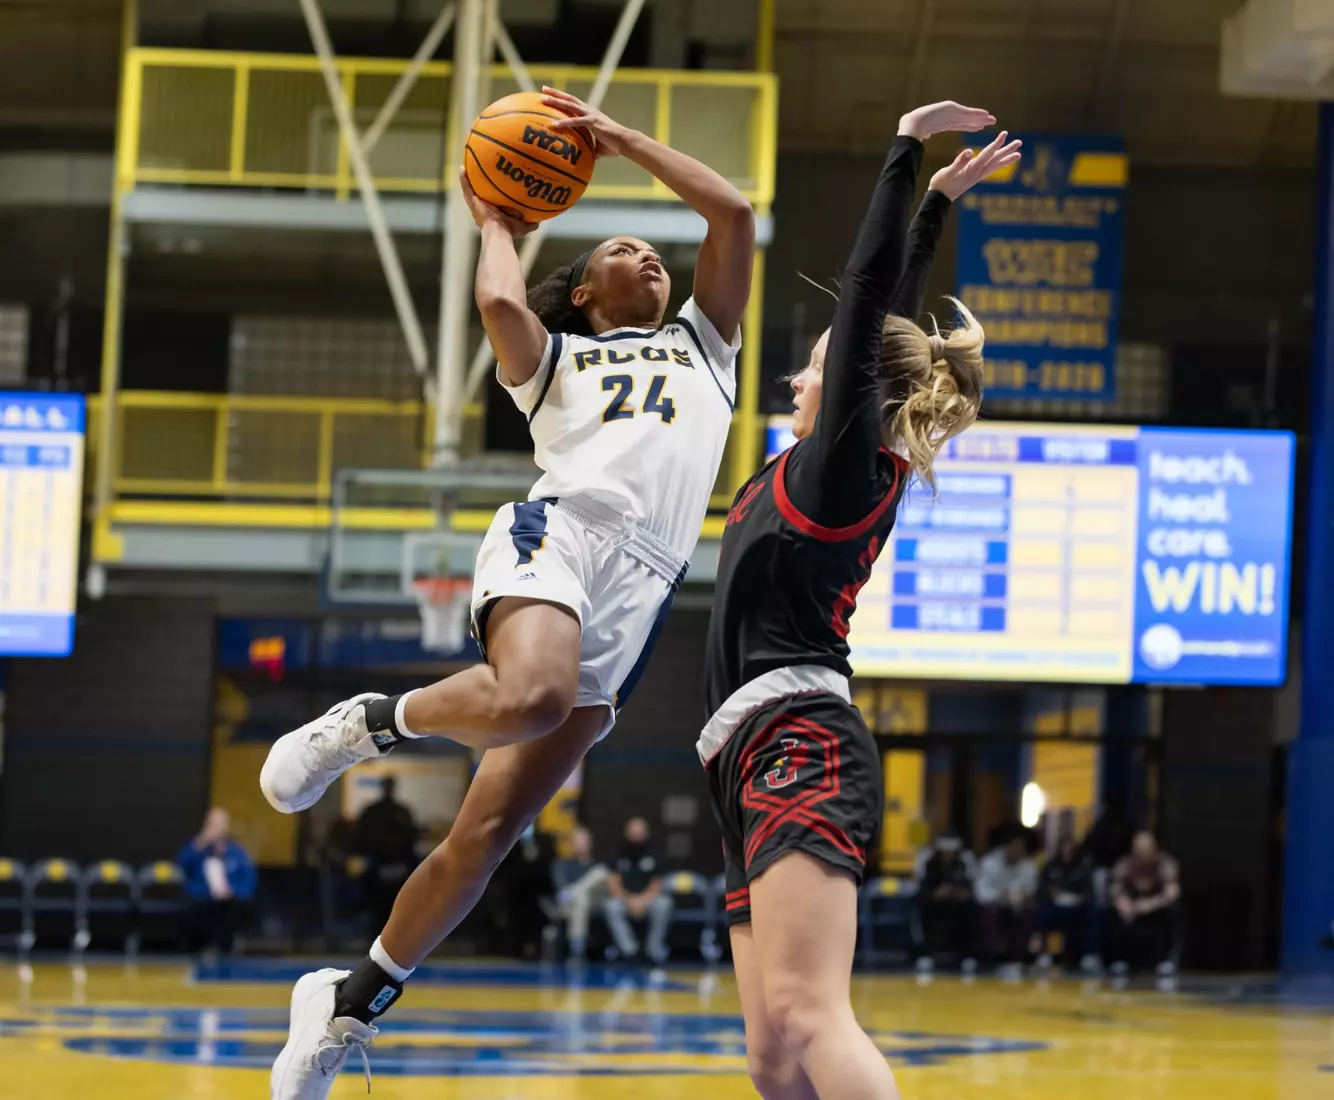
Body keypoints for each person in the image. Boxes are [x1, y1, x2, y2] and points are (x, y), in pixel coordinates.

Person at [263, 85, 756, 1099]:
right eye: (621, 248)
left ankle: (344, 1002)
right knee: (530, 693)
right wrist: (494, 217)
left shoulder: (707, 345)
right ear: (580, 289)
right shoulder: (556, 361)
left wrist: (619, 141)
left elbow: (733, 215)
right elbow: (498, 303)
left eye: (652, 251)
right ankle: (370, 721)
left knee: (485, 837)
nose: (647, 256)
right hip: (560, 533)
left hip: (639, 598)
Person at [699, 101, 1019, 1100]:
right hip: (741, 755)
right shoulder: (818, 464)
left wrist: (905, 147)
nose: (802, 369)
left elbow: (868, 295)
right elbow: (880, 321)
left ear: (842, 386)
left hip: (798, 735)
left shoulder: (843, 467)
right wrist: (931, 206)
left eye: (818, 362)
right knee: (768, 1053)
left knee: (807, 1015)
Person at [175, 808, 257, 957]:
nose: (216, 828)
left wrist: (233, 891)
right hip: (202, 900)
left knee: (235, 911)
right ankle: (196, 951)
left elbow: (249, 880)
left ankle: (223, 951)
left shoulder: (236, 852)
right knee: (189, 910)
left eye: (220, 824)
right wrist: (201, 842)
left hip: (228, 903)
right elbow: (181, 866)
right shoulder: (198, 848)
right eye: (212, 823)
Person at [1107, 830, 1181, 977]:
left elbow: (1173, 891)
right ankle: (1119, 960)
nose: (1142, 851)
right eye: (1139, 848)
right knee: (1110, 912)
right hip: (1133, 905)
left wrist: (1151, 904)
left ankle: (1167, 961)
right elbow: (1115, 887)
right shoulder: (1125, 863)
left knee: (1174, 911)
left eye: (1146, 847)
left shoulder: (1165, 863)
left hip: (1155, 906)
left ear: (1154, 847)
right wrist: (1122, 902)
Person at [601, 816, 673, 963]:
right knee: (610, 906)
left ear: (646, 833)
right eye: (634, 833)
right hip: (624, 899)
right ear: (627, 833)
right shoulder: (619, 852)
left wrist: (641, 901)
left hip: (648, 899)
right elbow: (613, 883)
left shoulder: (654, 853)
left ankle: (654, 950)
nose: (637, 836)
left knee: (664, 904)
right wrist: (629, 900)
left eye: (640, 833)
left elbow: (657, 884)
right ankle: (629, 951)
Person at [354, 777, 419, 930]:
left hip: (397, 866)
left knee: (395, 906)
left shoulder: (400, 812)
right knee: (378, 908)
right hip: (378, 865)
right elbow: (361, 838)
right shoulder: (376, 812)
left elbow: (411, 838)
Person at [975, 837, 1039, 976]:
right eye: (1013, 848)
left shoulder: (1028, 865)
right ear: (1006, 848)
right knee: (990, 913)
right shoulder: (990, 863)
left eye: (1020, 849)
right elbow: (981, 891)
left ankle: (1018, 958)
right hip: (995, 903)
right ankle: (993, 958)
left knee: (1029, 912)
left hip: (1018, 905)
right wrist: (1002, 896)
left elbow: (1031, 889)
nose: (1016, 852)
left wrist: (1023, 897)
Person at [915, 836, 977, 973]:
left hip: (958, 905)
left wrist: (958, 893)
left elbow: (970, 887)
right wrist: (935, 894)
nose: (948, 856)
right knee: (922, 909)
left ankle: (968, 956)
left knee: (972, 910)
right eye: (945, 852)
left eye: (951, 852)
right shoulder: (929, 864)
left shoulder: (963, 864)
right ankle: (926, 954)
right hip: (935, 905)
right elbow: (923, 889)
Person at [1035, 836, 1097, 972]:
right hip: (1055, 906)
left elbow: (1089, 892)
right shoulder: (1050, 866)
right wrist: (1054, 896)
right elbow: (1042, 890)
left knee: (1092, 910)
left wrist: (1077, 898)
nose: (1067, 852)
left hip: (1077, 906)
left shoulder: (1083, 867)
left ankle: (1089, 955)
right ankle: (1044, 953)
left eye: (1070, 850)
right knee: (1043, 910)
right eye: (1064, 849)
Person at [551, 825, 609, 959]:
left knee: (601, 872)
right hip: (567, 905)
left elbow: (605, 890)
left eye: (583, 841)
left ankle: (577, 947)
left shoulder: (596, 865)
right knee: (582, 900)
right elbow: (561, 893)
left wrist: (574, 892)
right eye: (577, 841)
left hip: (595, 904)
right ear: (572, 844)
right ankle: (578, 947)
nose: (580, 844)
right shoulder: (561, 864)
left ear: (590, 843)